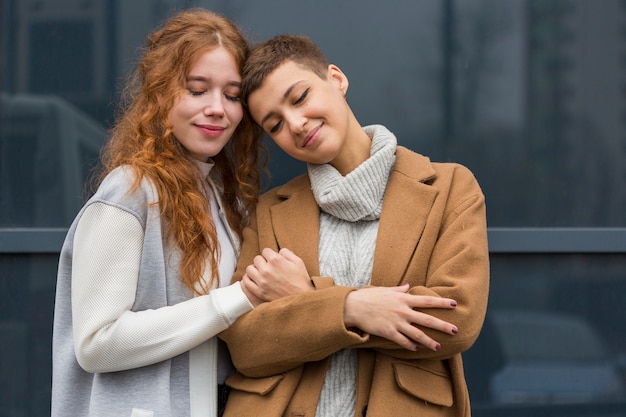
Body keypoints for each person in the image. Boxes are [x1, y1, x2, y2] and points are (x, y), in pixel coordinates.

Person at [51, 10, 310, 417]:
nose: (217, 109)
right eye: (197, 89)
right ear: (158, 94)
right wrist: (240, 296)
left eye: (231, 95)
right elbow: (96, 343)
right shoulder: (129, 191)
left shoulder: (229, 201)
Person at [219, 34, 490, 417]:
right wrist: (351, 308)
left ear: (336, 79)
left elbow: (454, 319)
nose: (295, 124)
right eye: (275, 124)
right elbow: (245, 342)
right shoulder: (269, 212)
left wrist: (306, 299)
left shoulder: (450, 188)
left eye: (300, 98)